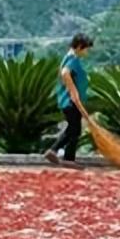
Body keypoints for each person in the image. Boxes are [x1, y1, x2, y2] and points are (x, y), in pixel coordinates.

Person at [45, 33, 94, 169]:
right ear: (79, 47)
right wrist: (77, 100)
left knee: (72, 129)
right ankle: (67, 159)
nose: (87, 52)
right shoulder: (72, 60)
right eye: (86, 49)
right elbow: (65, 73)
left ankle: (56, 152)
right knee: (75, 129)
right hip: (70, 102)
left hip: (69, 102)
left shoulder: (71, 58)